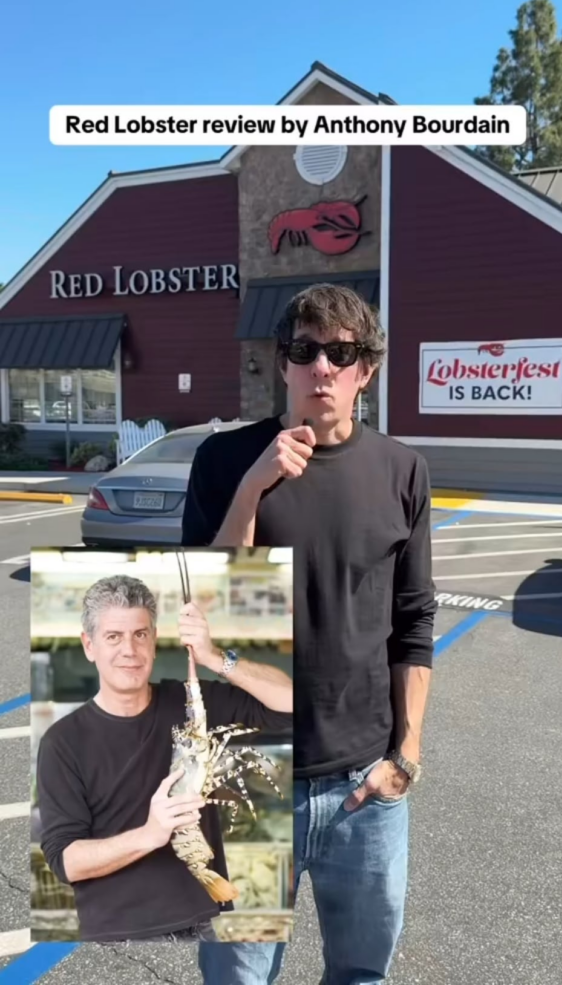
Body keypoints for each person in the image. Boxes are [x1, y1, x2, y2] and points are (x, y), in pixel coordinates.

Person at [182, 283, 437, 985]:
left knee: (360, 973)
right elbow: (203, 603)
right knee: (237, 978)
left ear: (366, 370)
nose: (322, 366)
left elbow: (414, 620)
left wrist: (406, 757)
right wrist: (252, 488)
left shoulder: (403, 470)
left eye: (341, 353)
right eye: (305, 350)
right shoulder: (225, 460)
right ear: (283, 364)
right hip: (249, 779)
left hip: (364, 787)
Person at [36, 573, 292, 956]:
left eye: (140, 634)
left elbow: (290, 705)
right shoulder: (62, 742)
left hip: (205, 916)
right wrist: (150, 834)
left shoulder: (191, 702)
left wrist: (213, 657)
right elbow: (65, 861)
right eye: (113, 637)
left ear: (154, 641)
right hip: (118, 935)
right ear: (89, 645)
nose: (130, 650)